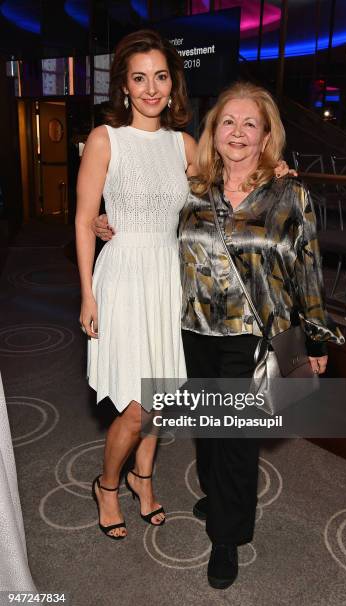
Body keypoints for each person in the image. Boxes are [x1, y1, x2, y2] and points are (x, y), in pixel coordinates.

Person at [178, 82, 344, 588]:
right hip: (193, 328)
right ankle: (216, 492)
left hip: (252, 335)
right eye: (228, 121)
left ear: (267, 134)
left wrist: (315, 340)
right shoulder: (190, 187)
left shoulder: (288, 192)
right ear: (213, 130)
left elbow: (308, 268)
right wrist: (105, 224)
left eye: (251, 123)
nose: (238, 132)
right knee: (207, 428)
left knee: (236, 439)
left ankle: (228, 537)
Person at [75, 29, 198, 538]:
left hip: (168, 278)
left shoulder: (184, 144)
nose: (151, 89)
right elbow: (85, 220)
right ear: (124, 86)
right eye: (140, 78)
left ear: (173, 84)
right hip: (123, 277)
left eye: (161, 77)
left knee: (160, 398)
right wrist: (87, 293)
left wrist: (273, 168)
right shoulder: (107, 138)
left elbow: (229, 189)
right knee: (134, 405)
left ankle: (142, 480)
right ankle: (108, 484)